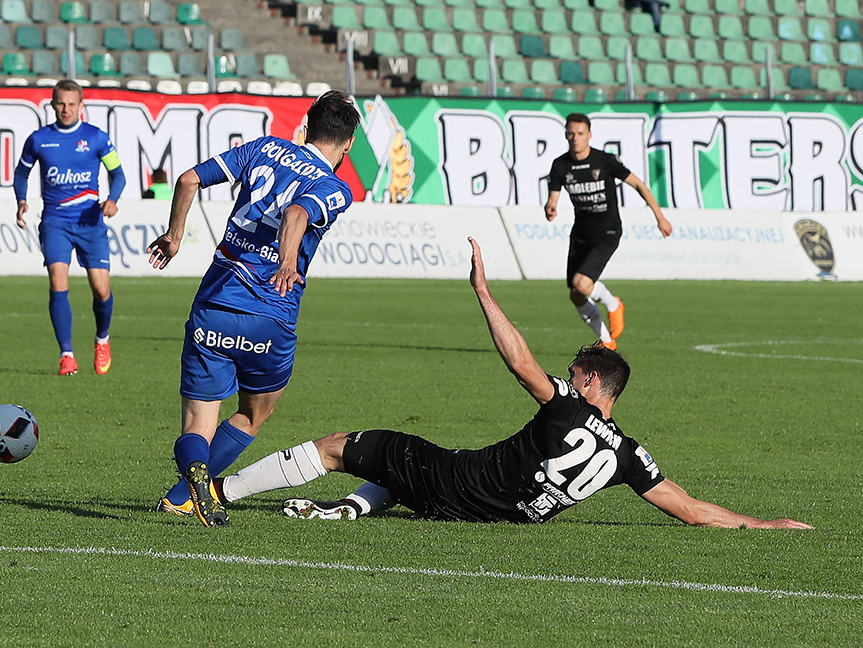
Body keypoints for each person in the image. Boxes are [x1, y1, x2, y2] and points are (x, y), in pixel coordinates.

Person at [210, 238, 812, 531]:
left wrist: (483, 292)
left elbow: (521, 363)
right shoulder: (629, 456)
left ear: (591, 379)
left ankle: (218, 492)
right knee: (398, 468)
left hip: (454, 483)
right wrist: (766, 525)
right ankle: (348, 509)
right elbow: (689, 509)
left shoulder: (569, 406)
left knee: (340, 445)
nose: (567, 376)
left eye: (574, 371)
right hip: (489, 514)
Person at [146, 90, 360, 527]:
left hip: (214, 305)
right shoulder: (335, 187)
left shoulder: (264, 148)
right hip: (270, 315)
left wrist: (174, 235)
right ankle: (182, 496)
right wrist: (286, 262)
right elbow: (297, 214)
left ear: (306, 126)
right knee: (253, 413)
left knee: (197, 425)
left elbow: (187, 179)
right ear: (348, 144)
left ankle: (192, 478)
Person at [14, 79, 126, 376]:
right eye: (61, 104)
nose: (66, 109)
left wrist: (112, 200)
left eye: (71, 104)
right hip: (55, 221)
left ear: (81, 105)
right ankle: (66, 354)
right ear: (53, 105)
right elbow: (21, 173)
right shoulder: (39, 139)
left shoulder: (96, 138)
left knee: (101, 289)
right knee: (57, 281)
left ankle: (102, 339)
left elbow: (119, 174)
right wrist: (21, 200)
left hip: (90, 221)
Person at [544, 113, 671, 350]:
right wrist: (550, 208)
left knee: (582, 284)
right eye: (571, 133)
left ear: (589, 135)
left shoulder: (604, 161)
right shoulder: (560, 165)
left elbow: (639, 185)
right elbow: (553, 198)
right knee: (576, 294)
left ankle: (614, 304)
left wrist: (660, 217)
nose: (575, 138)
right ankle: (607, 341)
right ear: (566, 135)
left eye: (580, 133)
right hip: (580, 234)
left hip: (607, 231)